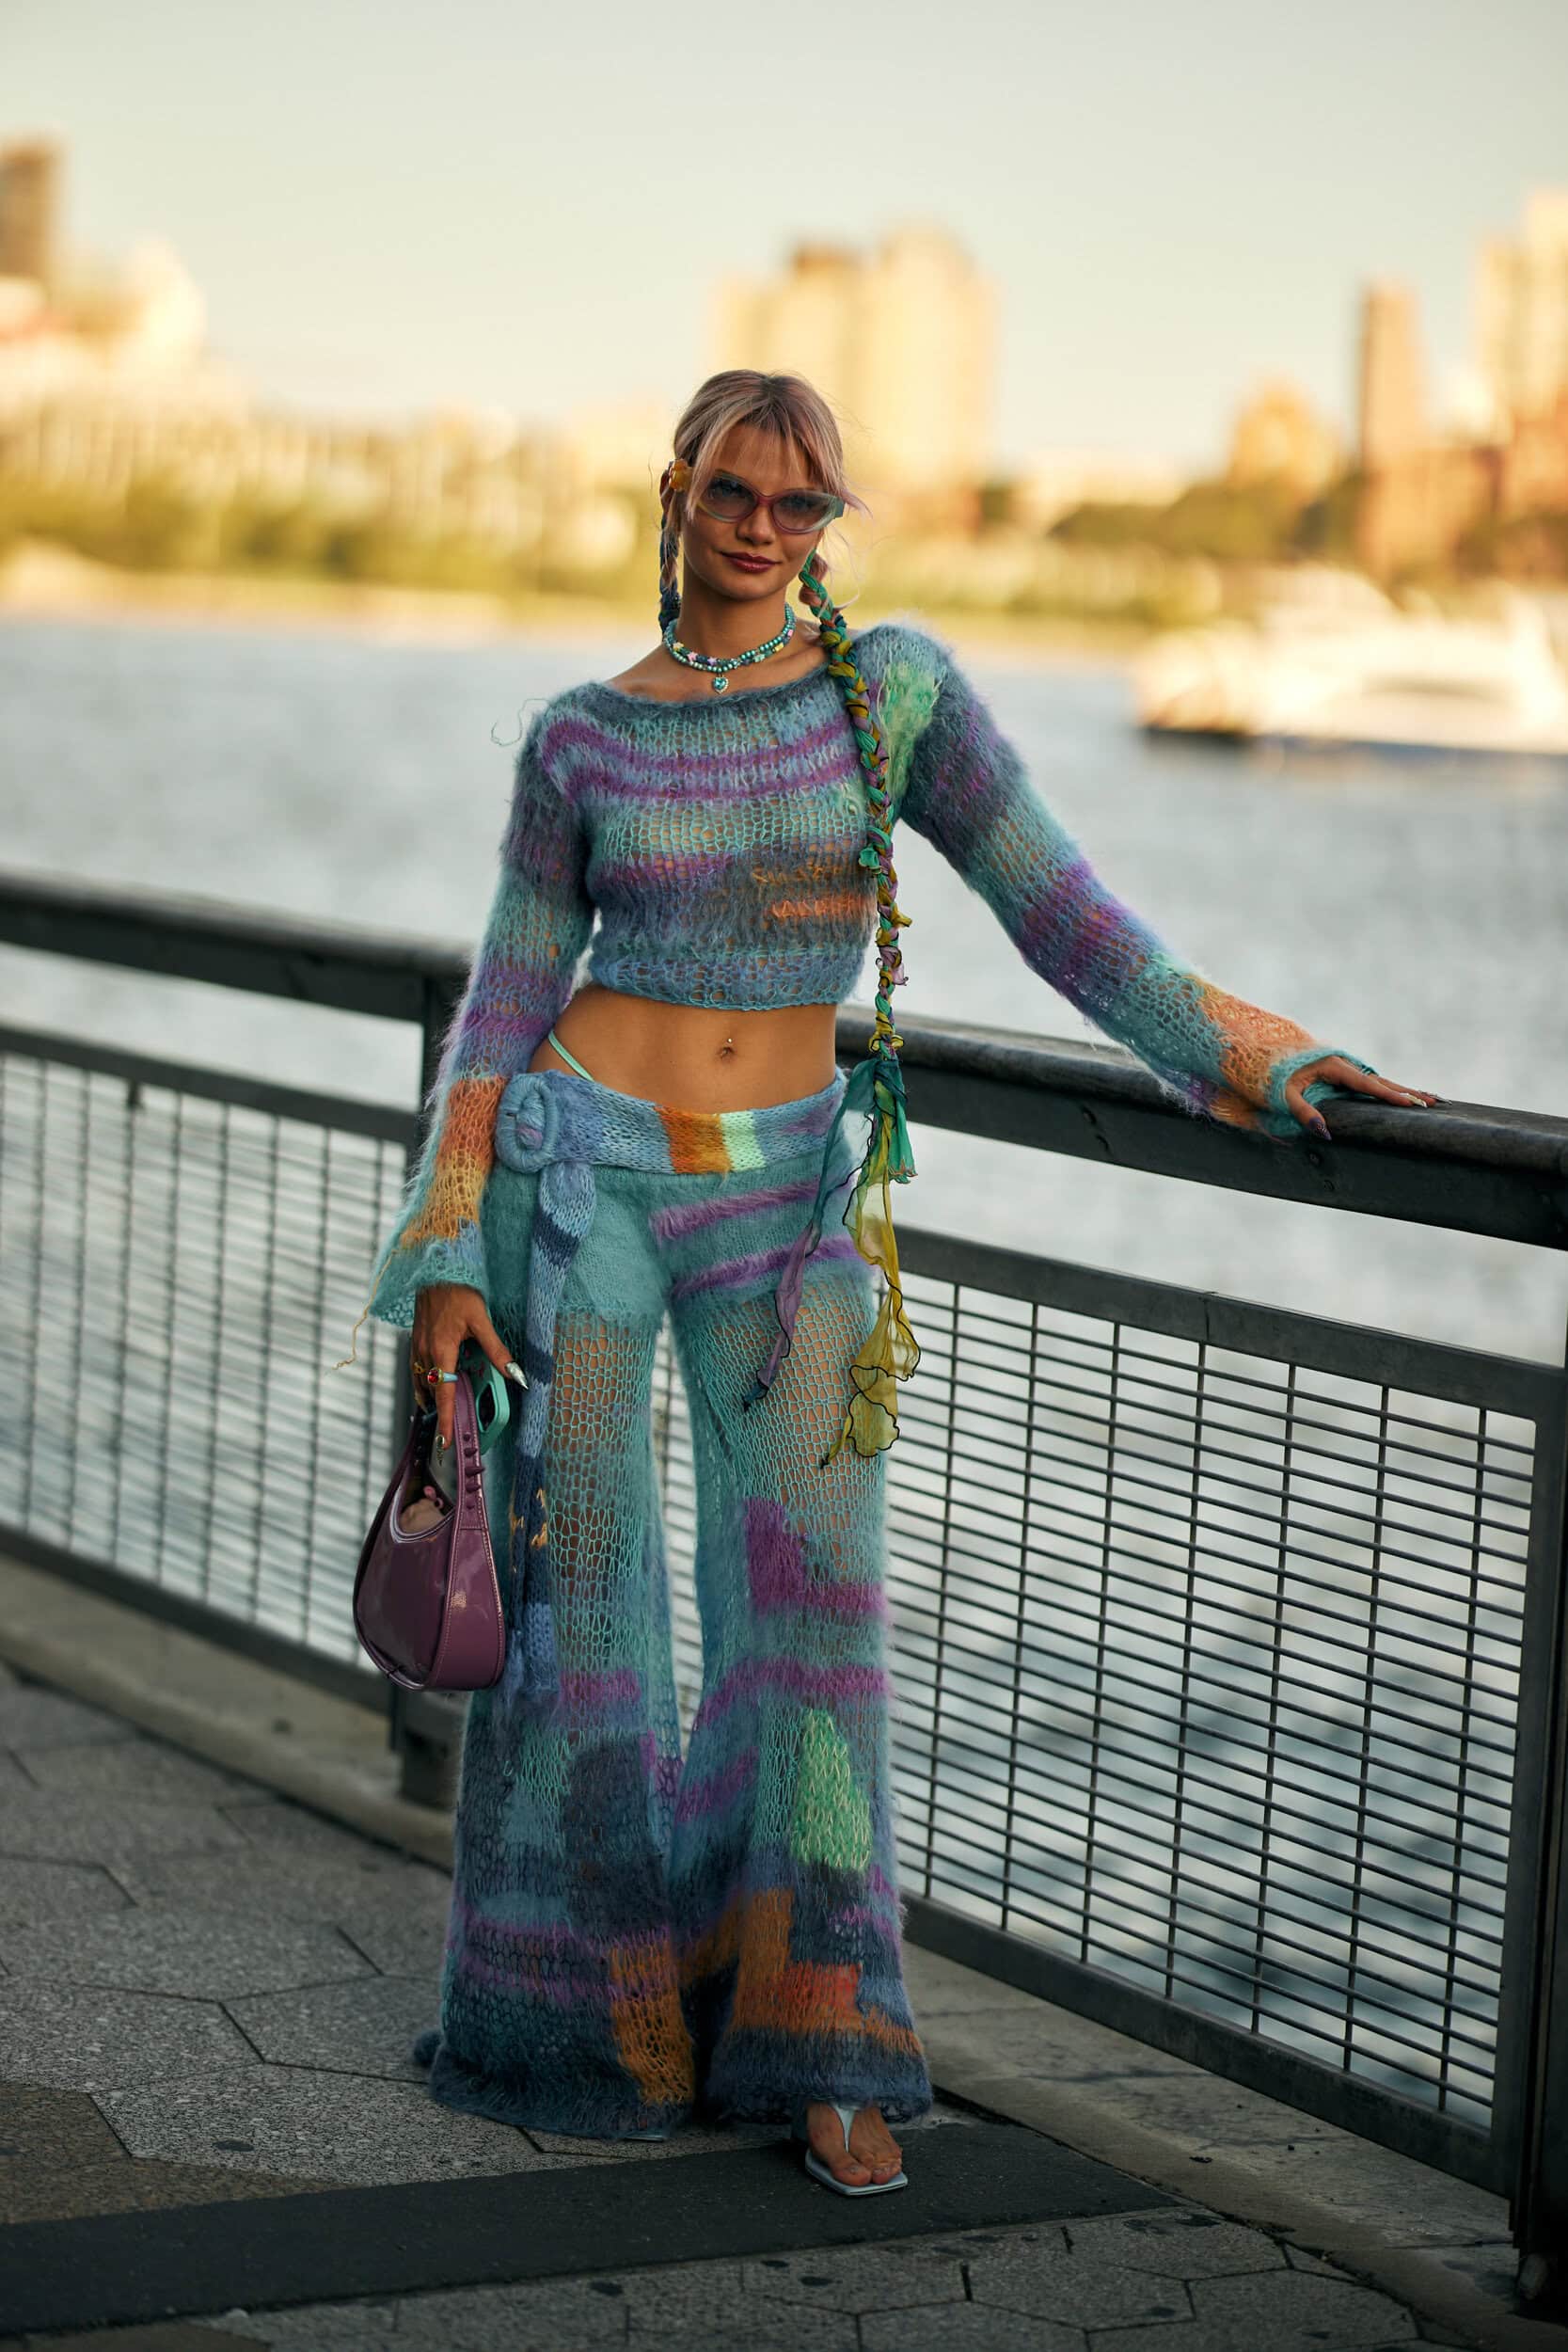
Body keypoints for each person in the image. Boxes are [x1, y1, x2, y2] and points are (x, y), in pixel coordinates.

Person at [341, 370, 1437, 2195]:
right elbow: (509, 991)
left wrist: (1248, 1053)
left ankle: (825, 2043)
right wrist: (449, 1241)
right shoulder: (581, 740)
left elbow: (1058, 907)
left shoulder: (891, 694)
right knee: (582, 1625)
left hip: (788, 1211)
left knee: (813, 1620)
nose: (764, 526)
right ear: (677, 490)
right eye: (735, 491)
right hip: (575, 1186)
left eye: (803, 502)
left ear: (833, 521)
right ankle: (588, 2027)